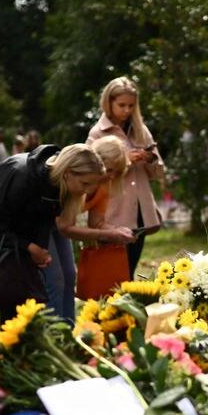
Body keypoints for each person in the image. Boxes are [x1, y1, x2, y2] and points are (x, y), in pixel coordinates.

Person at [0, 143, 106, 325]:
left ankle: (60, 333)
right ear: (67, 172)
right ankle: (22, 336)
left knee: (52, 278)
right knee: (15, 287)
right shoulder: (21, 178)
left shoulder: (59, 184)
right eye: (85, 184)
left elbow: (43, 220)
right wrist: (30, 248)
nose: (87, 191)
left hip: (20, 228)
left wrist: (39, 248)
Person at [42, 136, 135, 321]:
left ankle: (68, 327)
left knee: (70, 276)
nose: (111, 176)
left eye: (116, 172)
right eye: (109, 170)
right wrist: (108, 234)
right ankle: (54, 329)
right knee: (55, 279)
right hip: (44, 223)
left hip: (62, 225)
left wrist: (118, 231)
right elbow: (65, 227)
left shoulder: (104, 184)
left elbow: (96, 222)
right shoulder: (78, 181)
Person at [87, 77, 165, 277]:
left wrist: (149, 159)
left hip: (140, 211)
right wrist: (124, 161)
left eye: (131, 105)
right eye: (121, 105)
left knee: (130, 269)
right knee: (112, 273)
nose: (127, 110)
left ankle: (127, 297)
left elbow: (159, 173)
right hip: (112, 212)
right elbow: (91, 175)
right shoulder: (97, 133)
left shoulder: (141, 131)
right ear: (109, 102)